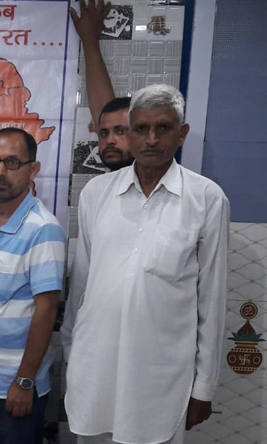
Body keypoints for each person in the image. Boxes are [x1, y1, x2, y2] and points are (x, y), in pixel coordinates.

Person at [63, 84, 229, 444]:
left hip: (160, 383)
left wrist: (204, 388)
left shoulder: (206, 199)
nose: (151, 139)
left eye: (163, 128)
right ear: (130, 132)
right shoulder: (96, 194)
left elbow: (211, 302)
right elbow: (82, 288)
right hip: (94, 373)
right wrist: (71, 355)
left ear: (181, 134)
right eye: (140, 128)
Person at [0, 128, 66, 444]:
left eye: (12, 162)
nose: (0, 171)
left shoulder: (43, 230)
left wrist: (25, 381)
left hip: (14, 389)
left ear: (33, 169)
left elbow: (46, 312)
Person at [71, 0, 134, 171]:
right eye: (103, 133)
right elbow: (104, 110)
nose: (109, 141)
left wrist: (90, 41)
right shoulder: (104, 186)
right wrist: (89, 41)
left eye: (121, 131)